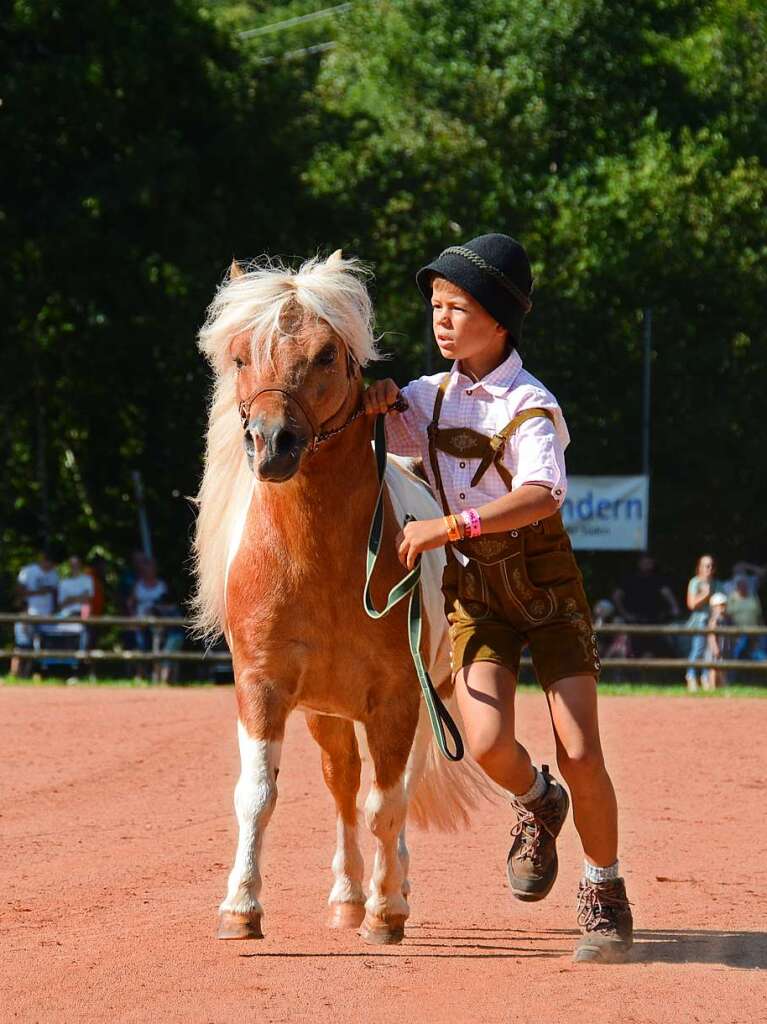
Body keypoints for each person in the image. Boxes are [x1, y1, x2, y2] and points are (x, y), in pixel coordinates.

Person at [363, 233, 632, 962]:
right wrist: (379, 399)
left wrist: (446, 524)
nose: (440, 319)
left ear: (500, 320)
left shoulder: (529, 402)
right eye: (435, 306)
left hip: (545, 589)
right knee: (482, 745)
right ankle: (539, 802)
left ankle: (603, 891)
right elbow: (372, 425)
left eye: (457, 307)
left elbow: (542, 494)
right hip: (474, 594)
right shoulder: (428, 396)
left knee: (581, 752)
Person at [612, 555, 680, 659]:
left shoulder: (658, 579)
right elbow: (617, 596)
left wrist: (674, 608)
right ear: (639, 563)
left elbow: (667, 594)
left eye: (650, 562)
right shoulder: (629, 578)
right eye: (645, 562)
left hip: (654, 621)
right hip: (632, 621)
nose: (647, 565)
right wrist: (625, 614)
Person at [11, 551, 59, 676]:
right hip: (29, 613)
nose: (49, 566)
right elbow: (19, 593)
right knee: (21, 645)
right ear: (42, 560)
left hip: (46, 615)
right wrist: (24, 609)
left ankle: (26, 673)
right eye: (47, 562)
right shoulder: (28, 571)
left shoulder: (54, 573)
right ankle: (14, 673)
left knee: (36, 645)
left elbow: (55, 595)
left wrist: (54, 611)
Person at [685, 554, 724, 691]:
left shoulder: (718, 584)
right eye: (706, 565)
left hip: (714, 622)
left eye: (711, 565)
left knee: (710, 652)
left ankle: (705, 678)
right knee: (698, 649)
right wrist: (705, 595)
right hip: (699, 621)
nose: (709, 568)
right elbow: (691, 605)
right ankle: (691, 677)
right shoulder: (694, 582)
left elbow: (722, 604)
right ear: (700, 567)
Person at [726, 575, 766, 661]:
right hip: (738, 633)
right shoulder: (731, 598)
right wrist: (732, 633)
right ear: (737, 586)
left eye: (745, 584)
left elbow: (759, 615)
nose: (744, 586)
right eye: (741, 584)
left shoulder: (753, 597)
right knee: (739, 654)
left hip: (754, 632)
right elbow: (727, 617)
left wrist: (762, 631)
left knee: (757, 652)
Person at [703, 592, 731, 690]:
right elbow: (711, 635)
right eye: (720, 605)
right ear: (714, 607)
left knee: (722, 668)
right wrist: (715, 648)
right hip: (715, 649)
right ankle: (712, 687)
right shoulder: (714, 620)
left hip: (722, 648)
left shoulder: (725, 619)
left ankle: (722, 686)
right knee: (713, 669)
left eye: (724, 605)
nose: (723, 608)